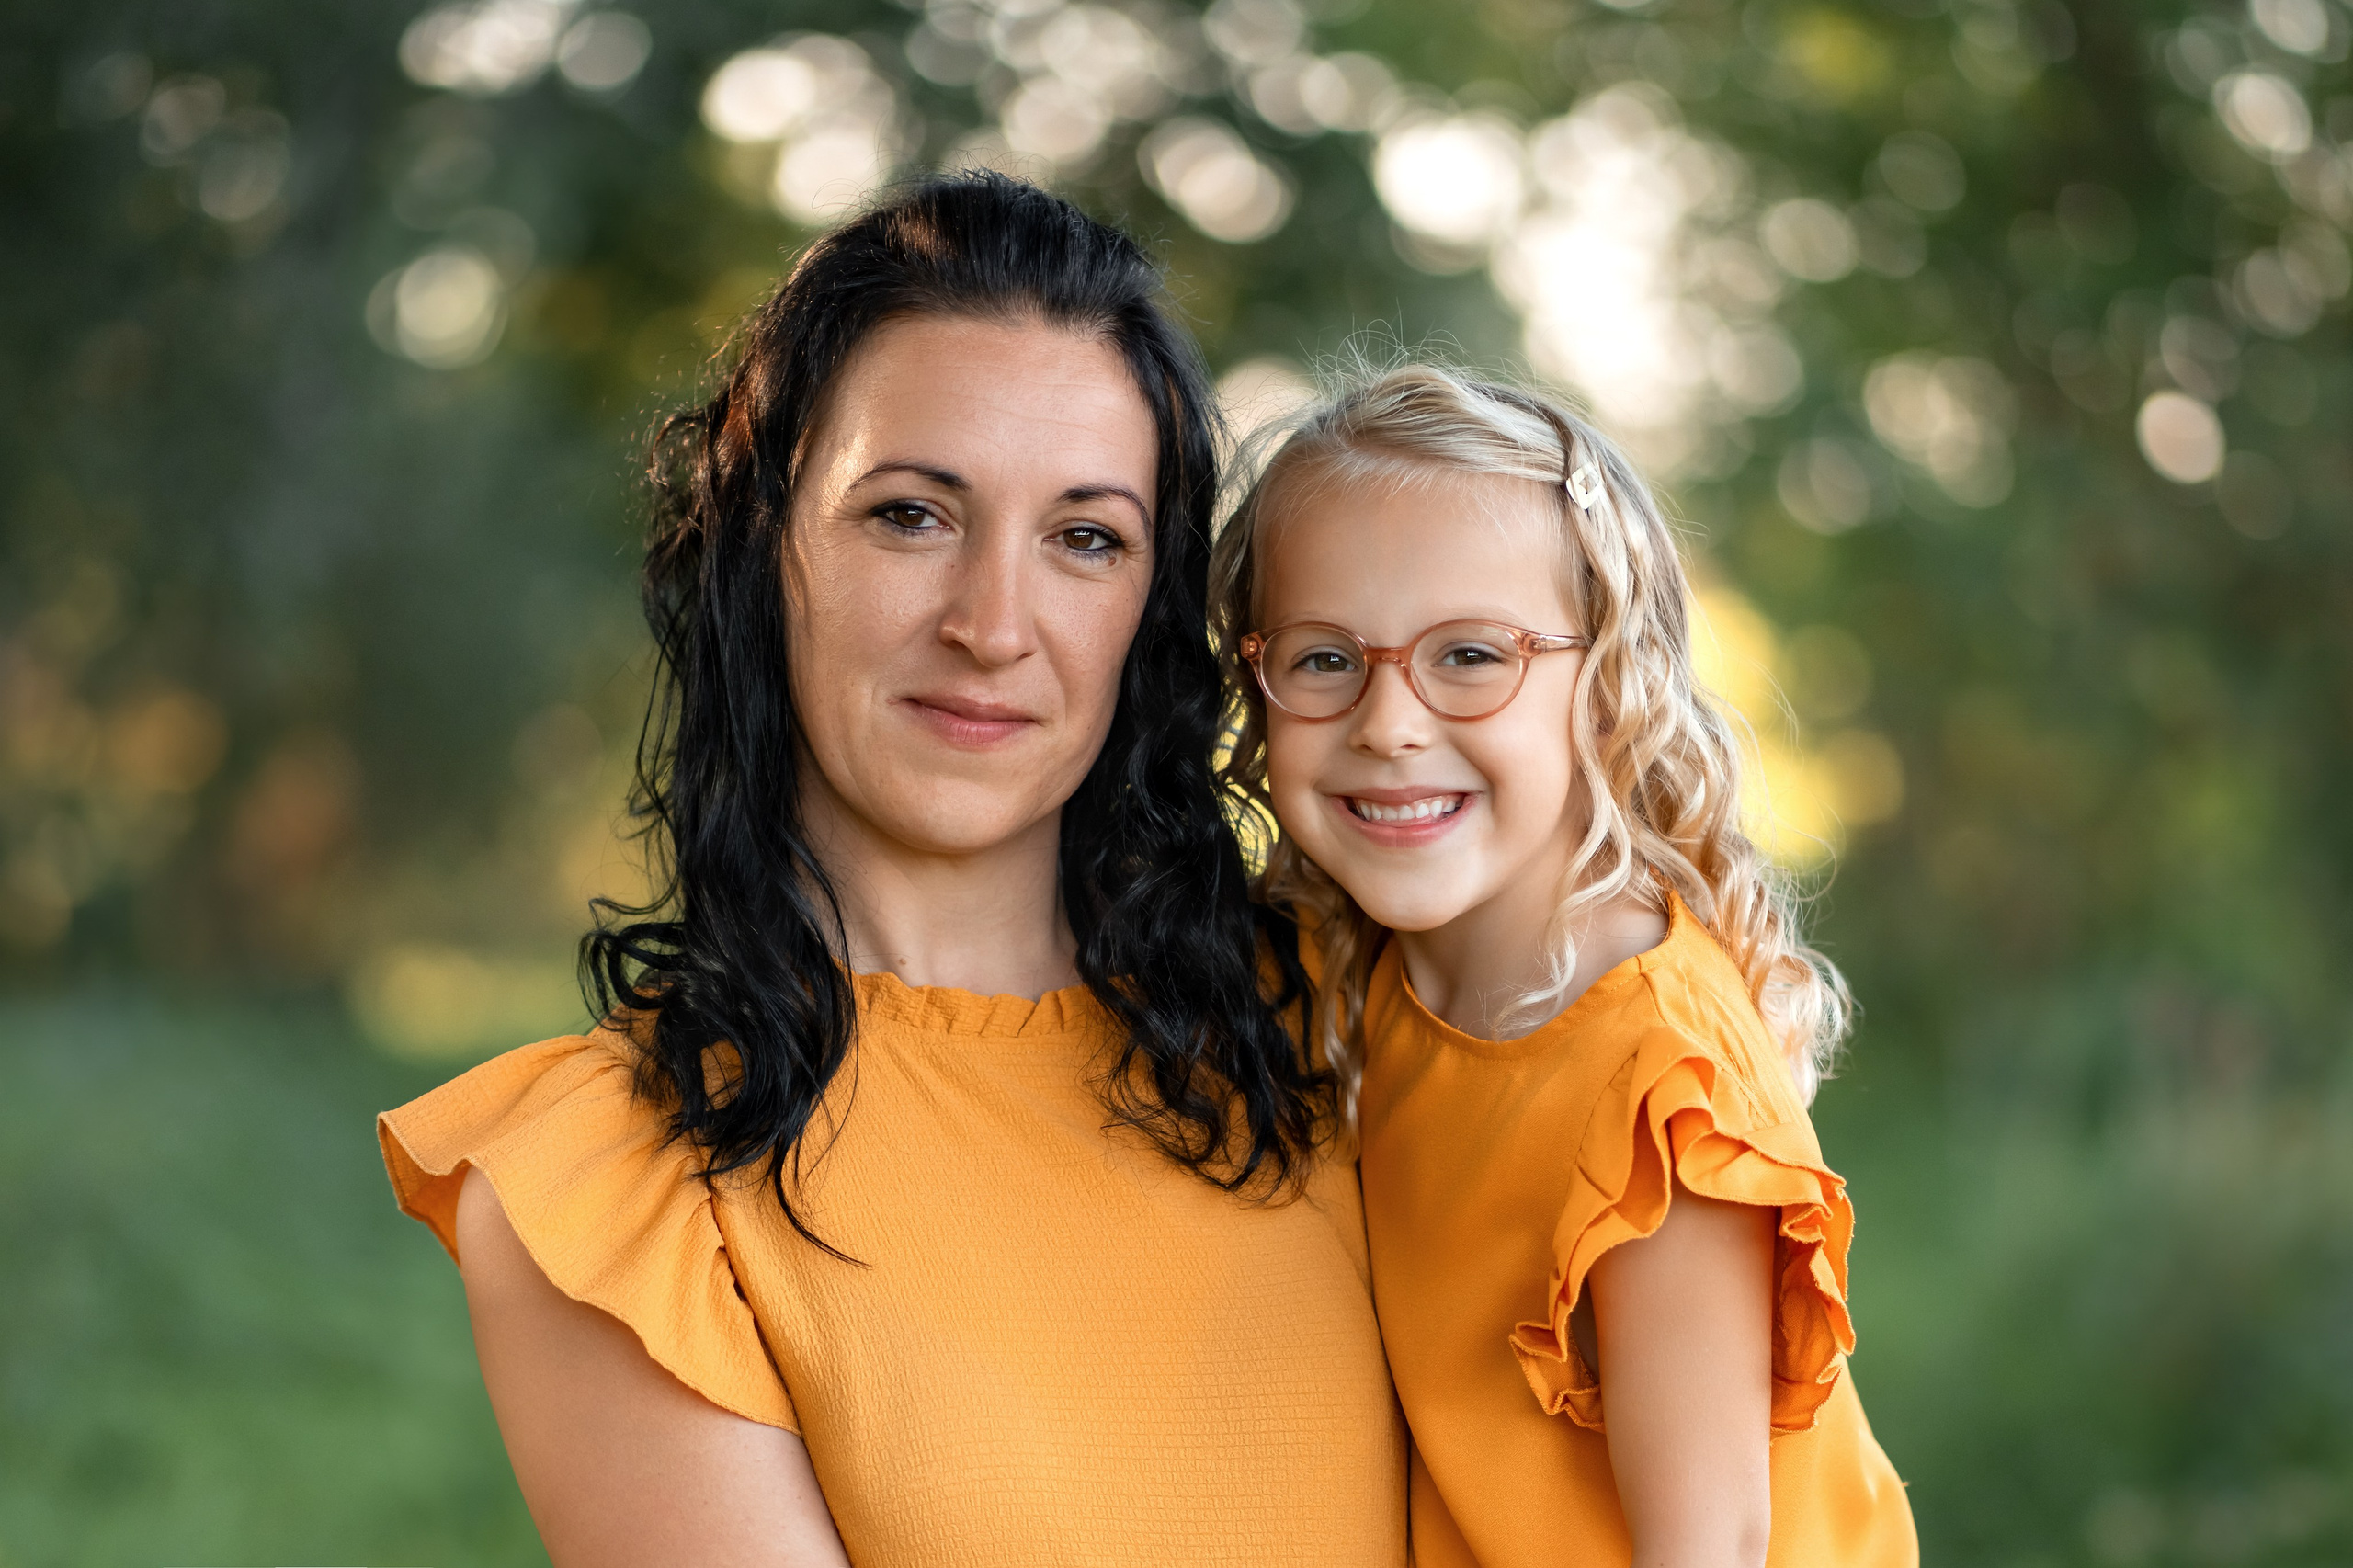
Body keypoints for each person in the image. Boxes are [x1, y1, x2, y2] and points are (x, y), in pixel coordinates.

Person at [376, 174, 1406, 1566]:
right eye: (913, 514)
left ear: (1148, 616)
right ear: (765, 544)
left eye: (1086, 538)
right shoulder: (619, 1183)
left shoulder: (1348, 1030)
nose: (993, 623)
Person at [1209, 361, 1916, 1568]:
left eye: (1471, 656)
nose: (1388, 723)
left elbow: (1710, 1547)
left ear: (1608, 684)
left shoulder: (1651, 1083)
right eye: (1325, 659)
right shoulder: (1360, 974)